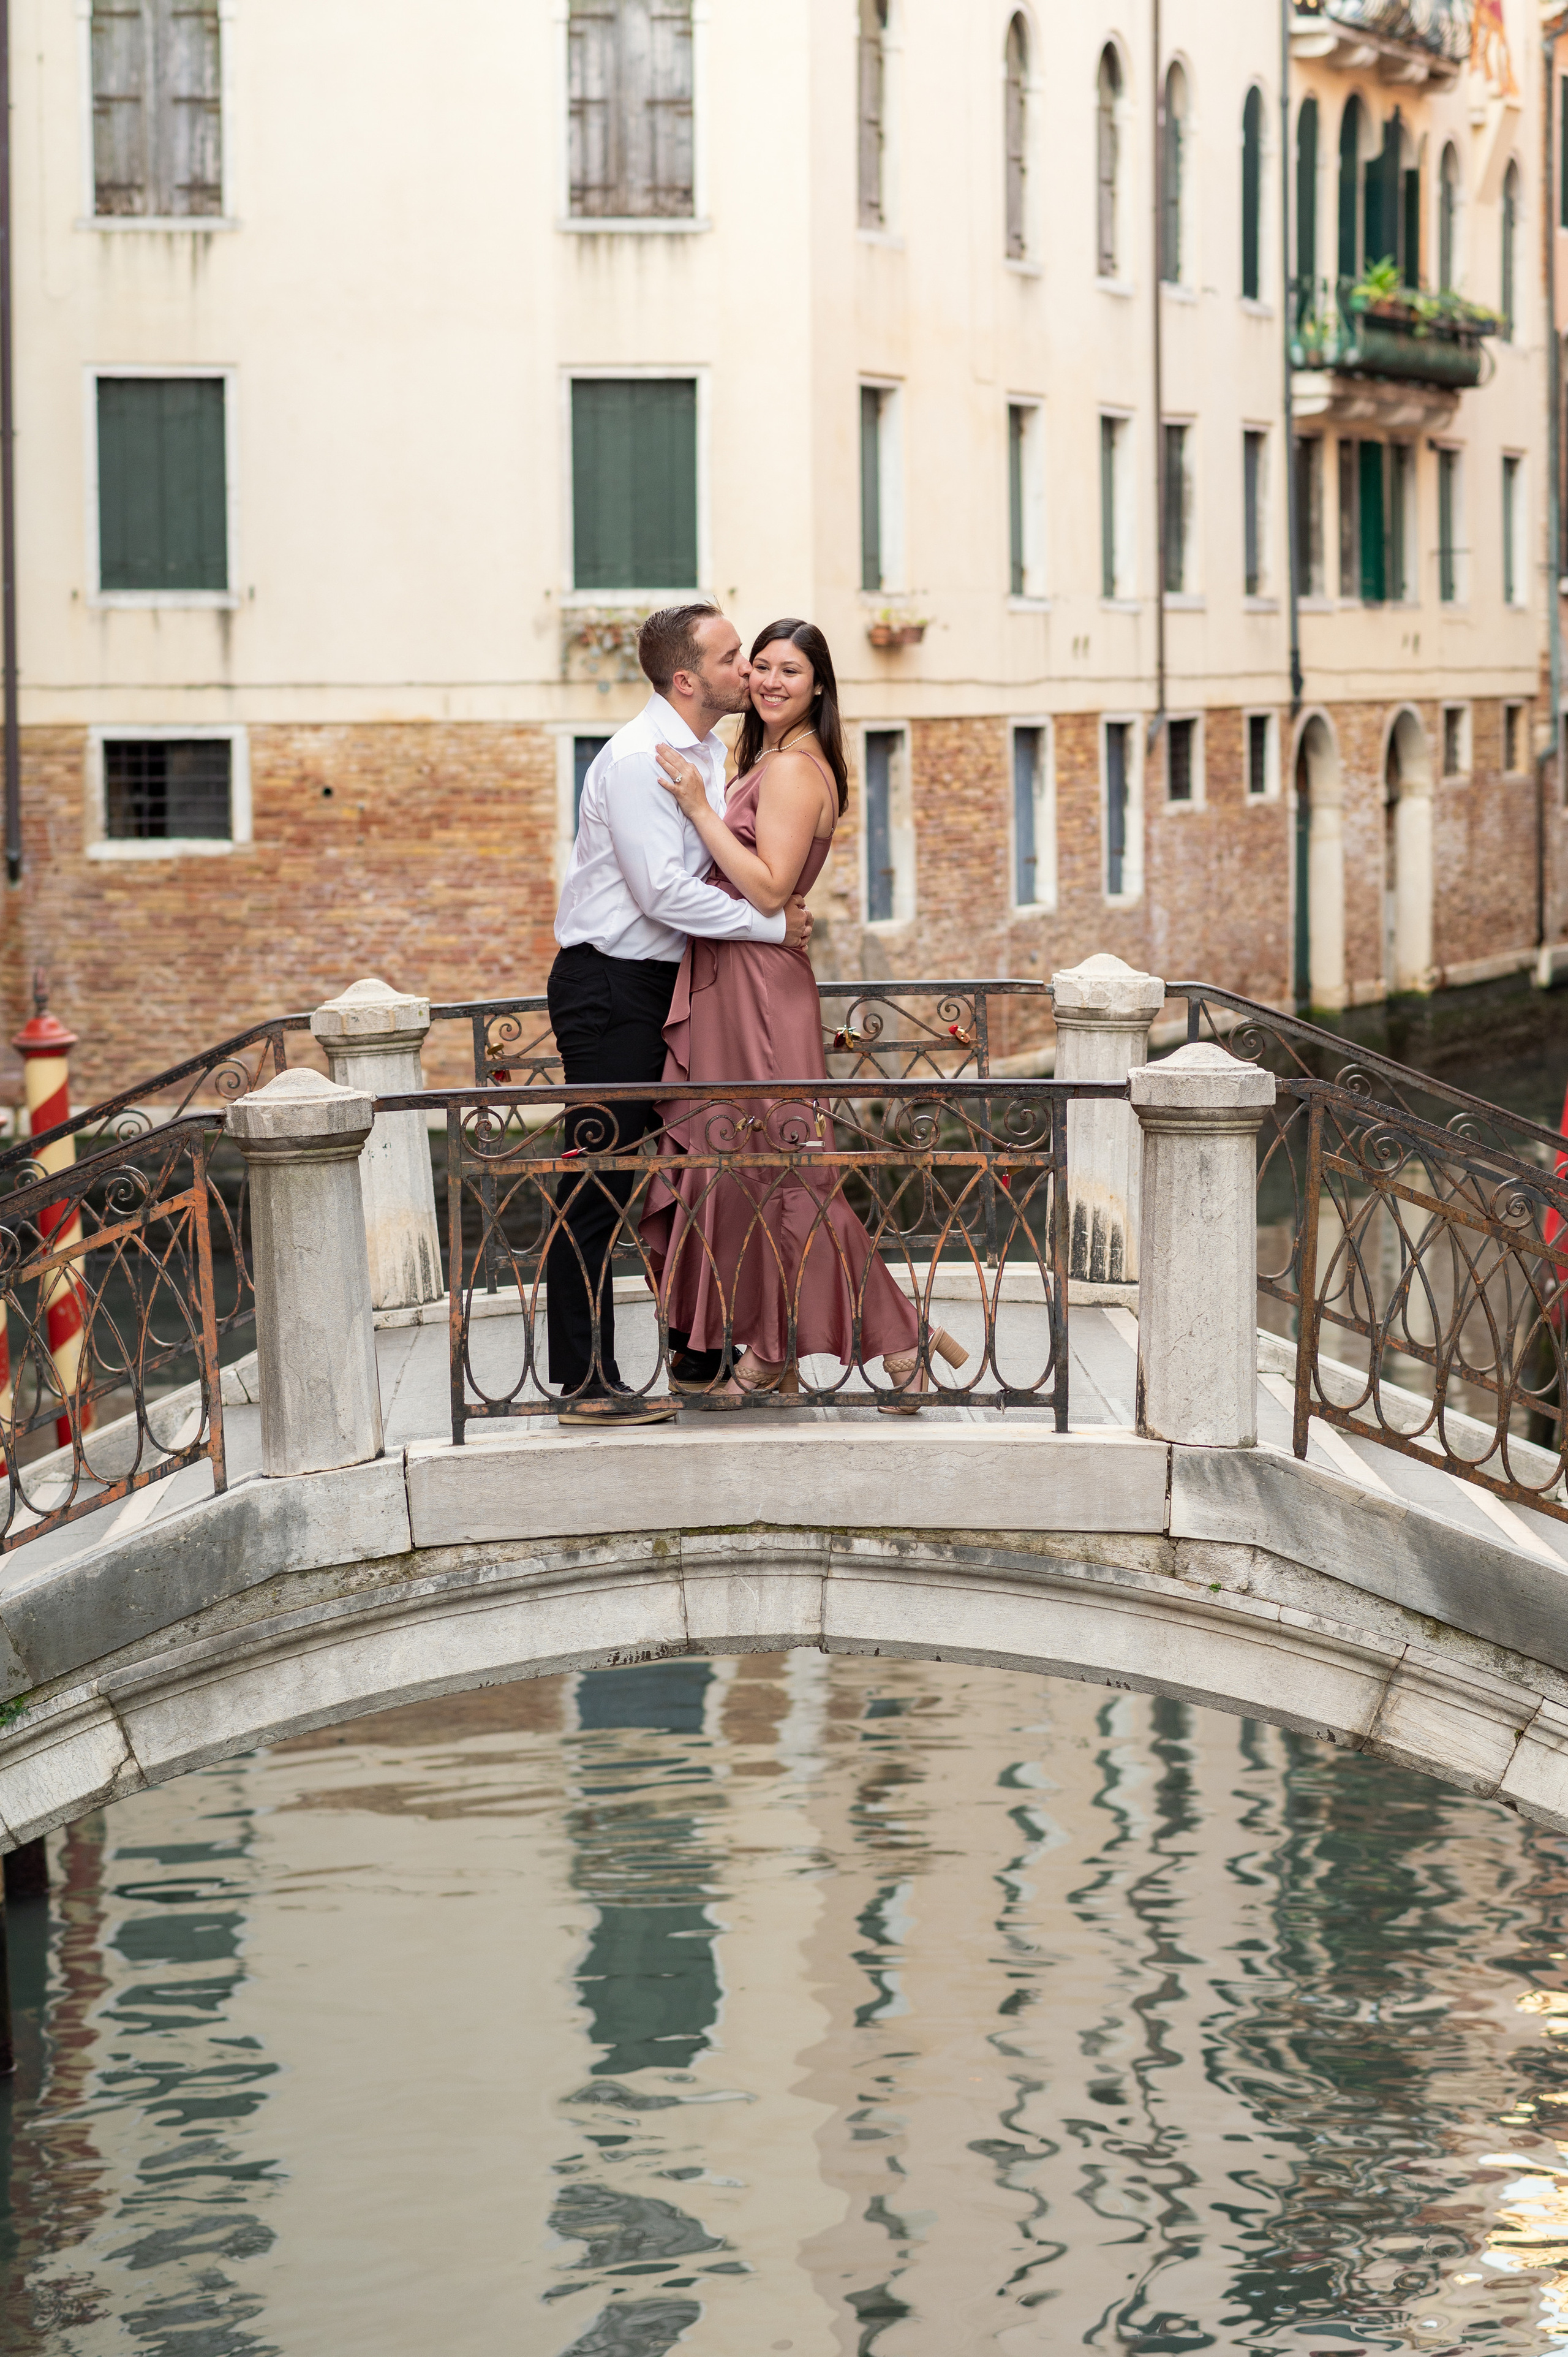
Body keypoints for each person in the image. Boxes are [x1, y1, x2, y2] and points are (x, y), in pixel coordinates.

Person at [639, 618, 967, 1410]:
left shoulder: (790, 769)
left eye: (791, 671)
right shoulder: (778, 760)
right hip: (743, 976)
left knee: (789, 1176)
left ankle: (901, 1341)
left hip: (755, 986)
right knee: (755, 1175)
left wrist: (694, 806)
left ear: (819, 685)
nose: (770, 682)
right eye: (760, 668)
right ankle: (775, 1350)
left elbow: (767, 886)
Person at [547, 604, 815, 1429]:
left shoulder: (707, 751)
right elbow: (661, 891)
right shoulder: (638, 759)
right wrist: (773, 924)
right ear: (690, 678)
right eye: (736, 657)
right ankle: (585, 1379)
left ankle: (699, 1357)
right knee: (598, 1180)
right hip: (613, 988)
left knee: (690, 1168)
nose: (750, 668)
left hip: (666, 991)